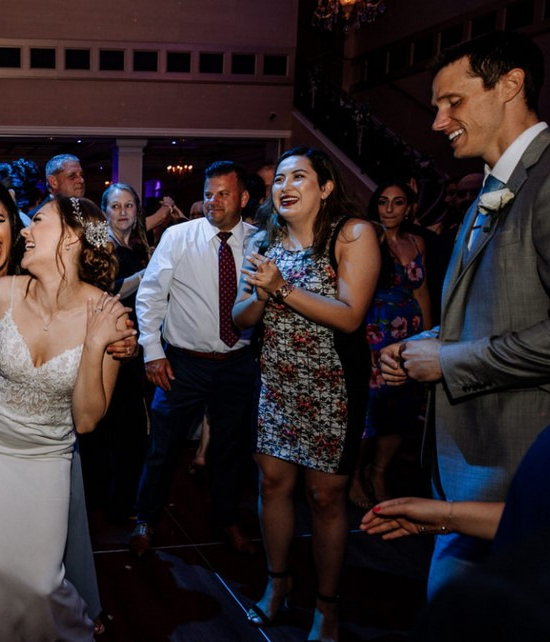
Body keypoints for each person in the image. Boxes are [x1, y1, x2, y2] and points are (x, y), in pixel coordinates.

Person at [378, 31, 550, 596]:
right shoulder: (492, 188)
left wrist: (448, 360)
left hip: (526, 467)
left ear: (511, 85)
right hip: (472, 474)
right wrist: (425, 342)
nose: (438, 122)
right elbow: (500, 306)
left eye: (454, 102)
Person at [0, 196, 131, 641]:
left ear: (72, 237)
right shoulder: (1, 293)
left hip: (46, 453)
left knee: (41, 580)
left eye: (37, 222)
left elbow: (85, 421)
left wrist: (97, 342)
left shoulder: (110, 317)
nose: (24, 230)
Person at [231, 147, 379, 640]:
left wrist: (282, 290)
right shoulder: (265, 242)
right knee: (272, 485)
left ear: (326, 187)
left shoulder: (353, 235)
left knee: (324, 496)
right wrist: (262, 292)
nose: (286, 186)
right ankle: (277, 585)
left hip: (331, 384)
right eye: (280, 180)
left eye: (300, 176)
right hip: (276, 381)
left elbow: (351, 315)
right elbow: (239, 319)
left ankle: (327, 605)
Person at [130, 161, 260, 558]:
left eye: (223, 193)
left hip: (239, 363)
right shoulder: (178, 236)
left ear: (243, 198)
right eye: (209, 193)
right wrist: (152, 353)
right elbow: (150, 295)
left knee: (230, 449)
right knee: (163, 447)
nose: (213, 201)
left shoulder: (260, 241)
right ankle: (145, 520)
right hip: (183, 363)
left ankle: (226, 519)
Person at [349, 181, 431, 508]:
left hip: (407, 334)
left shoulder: (417, 242)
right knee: (365, 411)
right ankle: (353, 475)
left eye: (397, 203)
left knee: (401, 409)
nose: (389, 209)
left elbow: (421, 292)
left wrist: (426, 339)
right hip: (372, 330)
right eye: (383, 202)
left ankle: (378, 472)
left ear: (408, 207)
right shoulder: (365, 237)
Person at [80, 183, 151, 520]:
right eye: (115, 206)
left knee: (126, 428)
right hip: (111, 346)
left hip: (130, 343)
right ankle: (108, 503)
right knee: (115, 427)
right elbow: (107, 292)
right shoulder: (101, 246)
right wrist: (147, 274)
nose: (123, 212)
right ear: (105, 212)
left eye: (129, 206)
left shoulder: (134, 245)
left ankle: (119, 500)